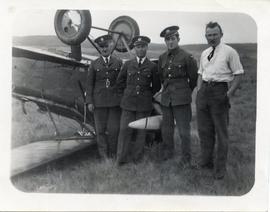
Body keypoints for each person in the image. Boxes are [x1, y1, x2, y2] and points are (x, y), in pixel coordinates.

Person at [196, 22, 244, 179]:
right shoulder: (204, 53)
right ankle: (206, 163)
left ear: (221, 34)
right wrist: (199, 91)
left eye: (215, 34)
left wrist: (228, 95)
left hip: (220, 91)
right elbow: (200, 74)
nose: (212, 38)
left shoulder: (230, 52)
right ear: (206, 36)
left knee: (221, 132)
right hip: (204, 93)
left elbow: (238, 74)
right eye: (209, 35)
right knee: (204, 131)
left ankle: (220, 169)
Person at [116, 35, 161, 165]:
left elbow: (156, 86)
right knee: (124, 131)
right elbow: (120, 83)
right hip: (128, 104)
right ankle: (121, 160)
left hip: (144, 104)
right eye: (138, 47)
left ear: (147, 48)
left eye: (143, 47)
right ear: (134, 48)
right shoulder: (128, 64)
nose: (140, 49)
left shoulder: (152, 66)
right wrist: (125, 96)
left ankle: (137, 160)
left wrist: (146, 95)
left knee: (141, 133)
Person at [158, 26, 198, 168]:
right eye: (167, 39)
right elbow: (162, 78)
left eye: (173, 39)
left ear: (178, 39)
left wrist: (184, 92)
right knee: (167, 129)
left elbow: (193, 79)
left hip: (181, 100)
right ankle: (169, 153)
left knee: (183, 130)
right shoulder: (162, 57)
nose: (170, 42)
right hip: (166, 100)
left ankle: (186, 157)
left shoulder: (187, 57)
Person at [86, 34, 122, 160]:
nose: (104, 49)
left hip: (114, 103)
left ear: (110, 46)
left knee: (113, 130)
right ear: (99, 49)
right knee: (100, 131)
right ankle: (104, 157)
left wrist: (121, 100)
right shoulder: (94, 64)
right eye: (101, 47)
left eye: (106, 46)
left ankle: (113, 155)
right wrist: (89, 102)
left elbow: (121, 83)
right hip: (99, 103)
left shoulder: (118, 63)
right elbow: (89, 85)